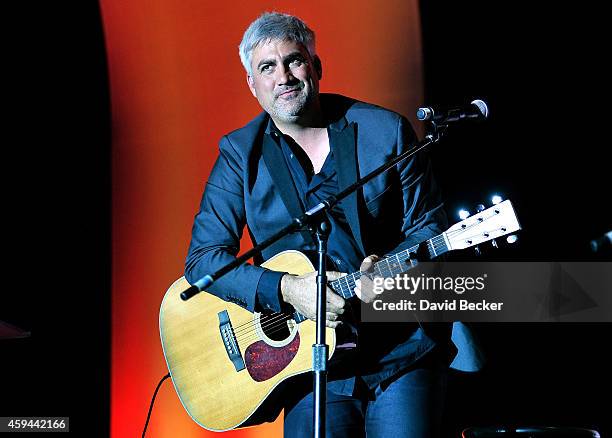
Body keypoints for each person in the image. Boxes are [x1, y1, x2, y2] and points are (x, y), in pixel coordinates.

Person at [185, 12, 455, 437]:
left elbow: (430, 227)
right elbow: (203, 263)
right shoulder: (240, 155)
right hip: (307, 367)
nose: (284, 77)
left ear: (316, 67)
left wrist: (386, 270)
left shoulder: (385, 132)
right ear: (253, 86)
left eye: (294, 61)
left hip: (401, 351)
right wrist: (286, 290)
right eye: (267, 68)